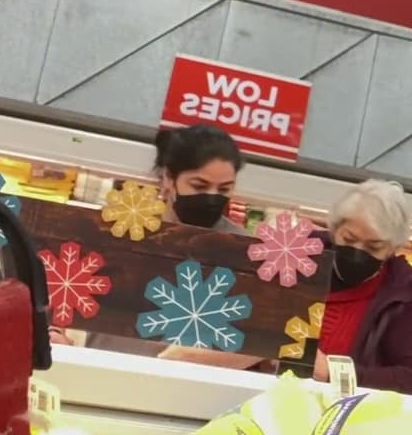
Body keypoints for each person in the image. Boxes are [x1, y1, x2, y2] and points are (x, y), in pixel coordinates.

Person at [55, 125, 262, 370]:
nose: (211, 197)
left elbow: (267, 341)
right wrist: (55, 333)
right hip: (103, 372)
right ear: (168, 179)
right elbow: (61, 290)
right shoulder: (122, 228)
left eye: (224, 189)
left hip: (191, 385)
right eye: (199, 186)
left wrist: (192, 358)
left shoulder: (244, 250)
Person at [313, 179, 412, 397]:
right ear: (334, 230)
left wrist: (334, 373)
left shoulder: (403, 289)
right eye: (348, 239)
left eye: (374, 247)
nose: (357, 253)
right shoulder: (297, 255)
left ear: (392, 249)